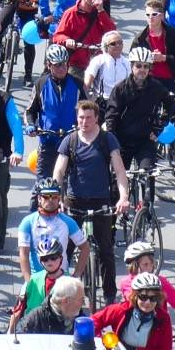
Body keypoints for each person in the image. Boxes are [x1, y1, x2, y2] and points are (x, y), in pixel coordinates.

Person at [53, 100, 131, 304]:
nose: (84, 122)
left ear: (97, 118)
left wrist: (123, 197)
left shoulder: (107, 140)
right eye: (80, 117)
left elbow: (120, 171)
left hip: (100, 201)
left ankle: (109, 296)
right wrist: (56, 197)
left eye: (88, 117)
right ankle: (59, 292)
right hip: (74, 201)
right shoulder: (70, 141)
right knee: (66, 249)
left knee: (106, 249)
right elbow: (59, 171)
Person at [93, 270, 175, 350]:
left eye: (153, 298)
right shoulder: (121, 310)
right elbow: (93, 321)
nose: (147, 302)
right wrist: (103, 340)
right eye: (143, 297)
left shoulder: (163, 319)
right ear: (135, 296)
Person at [22, 274, 87, 335]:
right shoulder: (35, 319)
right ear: (66, 301)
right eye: (81, 299)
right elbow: (20, 341)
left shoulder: (82, 319)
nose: (83, 303)